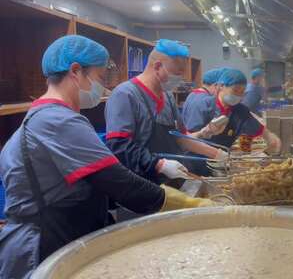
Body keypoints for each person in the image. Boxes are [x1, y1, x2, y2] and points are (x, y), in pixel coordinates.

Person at [0, 35, 214, 279]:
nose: (103, 87)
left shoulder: (50, 117)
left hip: (63, 232)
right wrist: (195, 205)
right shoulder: (57, 121)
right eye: (101, 78)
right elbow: (120, 183)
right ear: (75, 71)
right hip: (43, 244)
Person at [105, 39, 227, 180]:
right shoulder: (125, 95)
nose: (180, 79)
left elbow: (180, 138)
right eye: (177, 73)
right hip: (141, 181)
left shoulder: (168, 96)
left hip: (169, 179)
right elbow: (119, 147)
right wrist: (160, 165)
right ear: (157, 66)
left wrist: (216, 154)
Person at [183, 67, 281, 151]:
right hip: (198, 160)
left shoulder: (239, 110)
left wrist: (270, 137)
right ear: (221, 86)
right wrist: (202, 135)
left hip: (224, 163)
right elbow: (187, 140)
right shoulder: (204, 105)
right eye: (235, 90)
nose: (238, 95)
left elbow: (253, 128)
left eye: (242, 92)